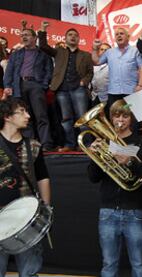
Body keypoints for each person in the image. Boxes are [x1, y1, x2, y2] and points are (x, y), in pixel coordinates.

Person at [87, 99, 142, 277]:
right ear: (110, 118)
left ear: (131, 118)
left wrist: (130, 161)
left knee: (139, 264)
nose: (120, 120)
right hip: (108, 211)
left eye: (125, 116)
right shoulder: (104, 143)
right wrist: (94, 156)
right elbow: (93, 177)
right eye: (116, 115)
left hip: (135, 210)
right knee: (109, 264)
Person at [0, 98, 51, 275]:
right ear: (7, 116)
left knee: (29, 272)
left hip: (26, 219)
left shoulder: (33, 146)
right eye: (22, 111)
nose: (28, 115)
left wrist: (46, 208)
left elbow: (43, 177)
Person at [38, 21, 94, 152]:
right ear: (65, 38)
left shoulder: (86, 55)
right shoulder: (59, 51)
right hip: (61, 90)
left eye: (75, 35)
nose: (73, 36)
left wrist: (84, 82)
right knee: (66, 119)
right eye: (70, 35)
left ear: (79, 39)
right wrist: (43, 30)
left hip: (78, 89)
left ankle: (86, 145)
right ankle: (69, 144)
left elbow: (90, 72)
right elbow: (43, 46)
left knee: (83, 118)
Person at [3, 27, 55, 151]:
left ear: (35, 38)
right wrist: (8, 86)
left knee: (41, 115)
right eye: (22, 35)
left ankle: (46, 144)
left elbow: (49, 71)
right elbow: (9, 72)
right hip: (18, 86)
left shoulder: (43, 55)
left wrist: (43, 85)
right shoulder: (16, 54)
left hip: (35, 85)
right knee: (23, 117)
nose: (24, 37)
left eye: (27, 35)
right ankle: (28, 145)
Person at [92, 28, 142, 114]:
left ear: (128, 37)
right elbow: (97, 62)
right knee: (115, 117)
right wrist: (94, 49)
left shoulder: (135, 51)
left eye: (121, 33)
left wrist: (140, 85)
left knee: (132, 117)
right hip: (113, 92)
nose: (119, 35)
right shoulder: (109, 52)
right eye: (117, 34)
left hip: (131, 91)